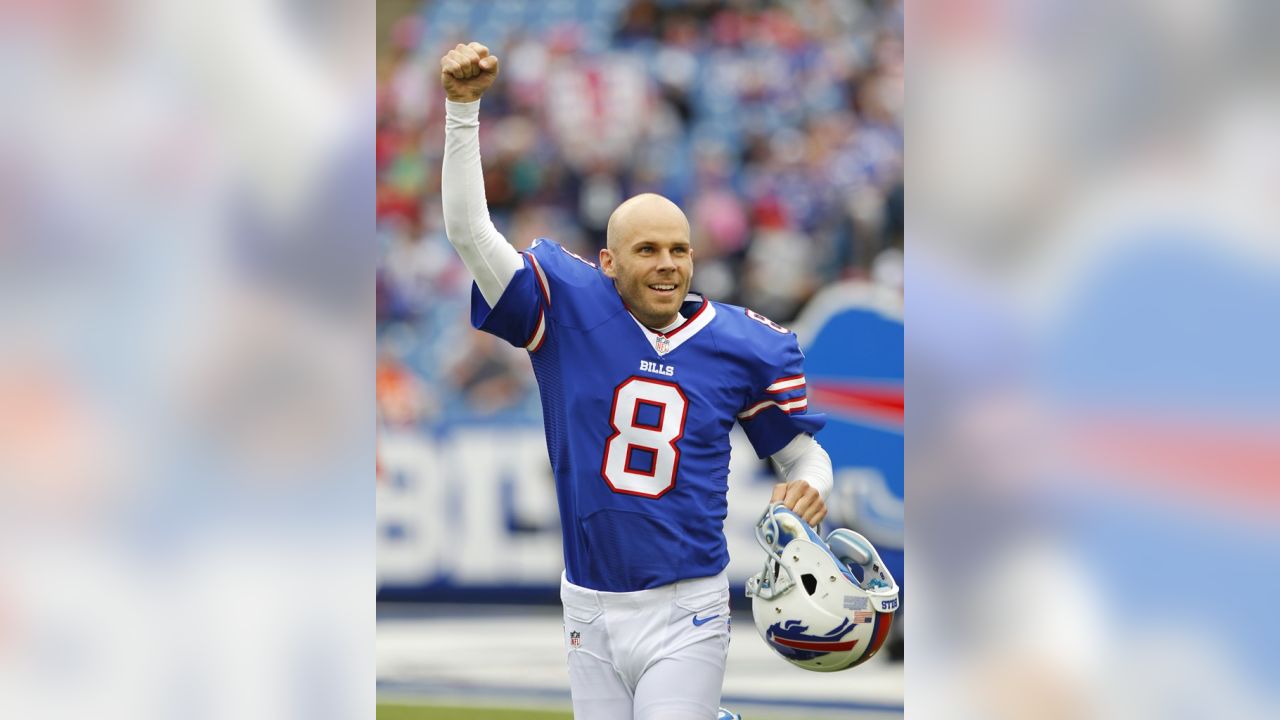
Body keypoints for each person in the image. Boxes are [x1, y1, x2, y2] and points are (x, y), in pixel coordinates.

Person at [439, 42, 835, 720]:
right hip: (586, 602)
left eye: (679, 249)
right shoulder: (566, 309)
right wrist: (462, 110)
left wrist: (811, 486)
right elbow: (470, 232)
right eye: (647, 250)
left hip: (687, 603)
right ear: (608, 262)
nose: (667, 264)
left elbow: (803, 453)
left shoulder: (742, 343)